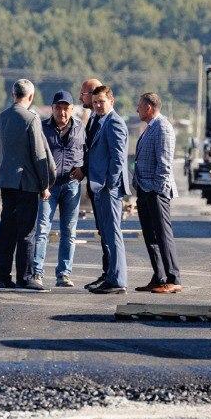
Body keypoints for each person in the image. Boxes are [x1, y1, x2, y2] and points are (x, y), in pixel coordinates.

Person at [0, 79, 56, 291]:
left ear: (13, 94)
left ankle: (3, 277)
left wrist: (4, 174)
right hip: (26, 183)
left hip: (7, 181)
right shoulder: (31, 118)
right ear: (31, 96)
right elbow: (39, 154)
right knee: (27, 232)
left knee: (7, 230)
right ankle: (25, 277)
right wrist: (45, 183)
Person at [30, 91, 84, 287]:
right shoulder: (42, 128)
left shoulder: (80, 127)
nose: (62, 112)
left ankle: (64, 274)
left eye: (66, 108)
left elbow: (87, 152)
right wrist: (41, 182)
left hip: (72, 185)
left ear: (71, 109)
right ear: (52, 108)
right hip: (48, 186)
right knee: (42, 229)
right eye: (58, 108)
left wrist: (83, 170)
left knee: (69, 231)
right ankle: (37, 273)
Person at [132, 92, 182, 294]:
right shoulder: (151, 127)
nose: (137, 109)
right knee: (151, 235)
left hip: (156, 191)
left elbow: (165, 163)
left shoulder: (162, 127)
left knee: (163, 235)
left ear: (149, 108)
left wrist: (157, 189)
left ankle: (173, 277)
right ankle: (159, 276)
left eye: (140, 106)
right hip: (145, 190)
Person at [84, 85, 130, 294]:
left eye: (101, 101)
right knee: (107, 236)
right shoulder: (97, 120)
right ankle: (111, 276)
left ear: (112, 101)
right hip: (99, 187)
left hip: (108, 189)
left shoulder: (115, 122)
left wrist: (109, 184)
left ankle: (118, 280)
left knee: (113, 234)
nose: (98, 106)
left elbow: (118, 158)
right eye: (94, 102)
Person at [72, 77, 105, 284]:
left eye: (83, 93)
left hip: (102, 185)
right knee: (103, 231)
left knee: (107, 232)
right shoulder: (92, 117)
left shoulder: (105, 120)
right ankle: (107, 273)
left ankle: (111, 275)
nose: (80, 97)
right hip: (93, 183)